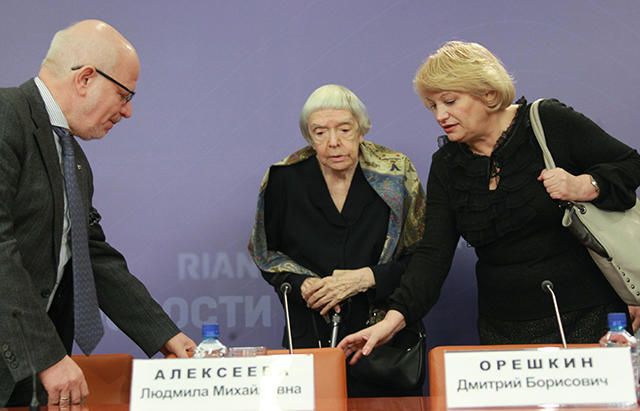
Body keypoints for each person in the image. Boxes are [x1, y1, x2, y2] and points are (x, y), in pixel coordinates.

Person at [339, 41, 640, 363]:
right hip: (503, 328)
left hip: (587, 317)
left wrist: (585, 185)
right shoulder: (447, 165)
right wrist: (393, 320)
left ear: (488, 94)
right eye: (432, 106)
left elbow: (630, 164)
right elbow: (433, 254)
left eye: (450, 101)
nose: (440, 115)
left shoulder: (548, 122)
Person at [0, 20, 195, 407]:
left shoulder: (73, 158)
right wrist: (47, 356)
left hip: (24, 375)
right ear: (86, 78)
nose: (128, 111)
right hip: (31, 357)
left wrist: (164, 335)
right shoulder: (6, 116)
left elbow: (90, 255)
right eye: (123, 94)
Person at [249, 84, 426, 396]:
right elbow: (267, 255)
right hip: (311, 333)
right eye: (320, 132)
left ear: (361, 129)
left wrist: (368, 277)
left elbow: (424, 257)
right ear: (309, 136)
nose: (333, 142)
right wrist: (301, 284)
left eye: (344, 129)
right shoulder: (283, 178)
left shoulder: (395, 174)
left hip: (383, 340)